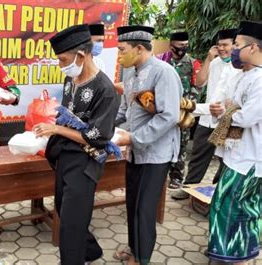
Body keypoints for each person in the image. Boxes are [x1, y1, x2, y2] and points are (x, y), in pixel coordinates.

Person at [34, 24, 120, 264]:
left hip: (86, 161)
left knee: (69, 226)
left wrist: (56, 128)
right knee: (65, 209)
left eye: (63, 60)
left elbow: (97, 136)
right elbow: (68, 115)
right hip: (65, 155)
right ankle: (91, 251)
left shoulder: (105, 89)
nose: (62, 66)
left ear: (81, 55)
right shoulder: (71, 80)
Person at [113, 25, 182, 265]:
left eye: (122, 50)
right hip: (134, 152)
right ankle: (134, 248)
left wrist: (133, 138)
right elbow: (124, 111)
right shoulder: (131, 73)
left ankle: (142, 258)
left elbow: (169, 116)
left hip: (155, 154)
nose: (119, 56)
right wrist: (104, 127)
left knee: (144, 209)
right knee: (132, 204)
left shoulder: (164, 73)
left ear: (139, 48)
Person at [208, 20, 262, 265]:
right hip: (236, 154)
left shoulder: (260, 79)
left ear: (253, 48)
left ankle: (236, 257)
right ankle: (228, 253)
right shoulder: (244, 75)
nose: (234, 50)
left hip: (250, 158)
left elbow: (247, 117)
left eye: (238, 45)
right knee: (227, 205)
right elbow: (232, 104)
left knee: (235, 208)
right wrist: (228, 109)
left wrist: (225, 112)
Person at [171, 28, 243, 200]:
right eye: (219, 45)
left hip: (227, 121)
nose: (222, 49)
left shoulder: (241, 68)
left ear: (235, 45)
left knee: (224, 160)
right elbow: (200, 82)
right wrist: (209, 59)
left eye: (226, 45)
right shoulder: (215, 62)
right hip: (207, 118)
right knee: (198, 156)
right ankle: (188, 187)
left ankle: (218, 194)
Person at [157, 31, 202, 189]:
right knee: (160, 141)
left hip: (182, 112)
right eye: (179, 46)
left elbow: (197, 87)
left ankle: (176, 176)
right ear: (171, 46)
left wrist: (188, 107)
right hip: (161, 110)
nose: (183, 49)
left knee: (181, 144)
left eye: (185, 45)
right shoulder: (161, 60)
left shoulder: (192, 63)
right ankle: (159, 174)